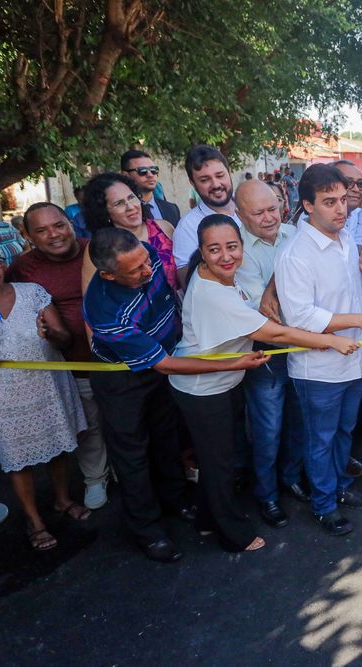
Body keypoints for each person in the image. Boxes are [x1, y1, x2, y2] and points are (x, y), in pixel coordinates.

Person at [172, 215, 359, 550]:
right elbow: (276, 332)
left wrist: (271, 288)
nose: (226, 256)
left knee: (218, 458)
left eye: (232, 247)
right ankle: (233, 536)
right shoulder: (213, 292)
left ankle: (205, 520)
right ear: (201, 251)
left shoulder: (220, 276)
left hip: (222, 381)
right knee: (219, 464)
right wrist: (332, 341)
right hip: (203, 390)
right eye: (214, 249)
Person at [84, 228, 267, 562]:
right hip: (128, 378)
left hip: (175, 355)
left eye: (146, 260)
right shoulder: (107, 315)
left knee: (167, 437)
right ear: (108, 274)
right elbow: (165, 366)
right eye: (136, 271)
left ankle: (178, 501)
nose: (147, 270)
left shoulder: (147, 255)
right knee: (133, 452)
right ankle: (148, 530)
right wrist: (232, 362)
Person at [275, 164, 362, 536]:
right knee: (320, 439)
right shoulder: (295, 254)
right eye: (329, 202)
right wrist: (360, 320)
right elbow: (299, 316)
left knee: (345, 432)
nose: (341, 209)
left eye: (344, 200)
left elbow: (353, 292)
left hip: (355, 360)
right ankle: (323, 504)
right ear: (307, 206)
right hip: (319, 369)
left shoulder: (346, 241)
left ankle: (340, 488)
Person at [0, 240, 89, 551]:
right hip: (3, 396)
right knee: (18, 459)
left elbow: (64, 337)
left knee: (59, 445)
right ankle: (34, 520)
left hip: (48, 384)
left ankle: (62, 500)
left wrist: (51, 333)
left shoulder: (31, 292)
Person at [7, 203, 110, 511]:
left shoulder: (96, 249)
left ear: (71, 223)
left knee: (126, 422)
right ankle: (96, 477)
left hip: (116, 358)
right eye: (42, 230)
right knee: (89, 425)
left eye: (59, 225)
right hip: (71, 364)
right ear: (28, 236)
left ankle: (128, 472)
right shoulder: (22, 269)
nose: (54, 235)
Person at [232, 180, 309, 524]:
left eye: (273, 208)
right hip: (266, 352)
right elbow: (265, 311)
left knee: (299, 421)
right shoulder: (236, 250)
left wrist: (278, 284)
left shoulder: (296, 235)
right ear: (239, 215)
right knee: (267, 429)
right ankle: (266, 494)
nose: (268, 218)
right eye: (258, 212)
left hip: (305, 345)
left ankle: (291, 478)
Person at [81, 172, 179, 290]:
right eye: (119, 203)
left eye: (131, 197)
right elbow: (92, 299)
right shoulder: (99, 248)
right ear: (104, 212)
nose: (131, 207)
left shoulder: (164, 228)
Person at [172, 145, 240, 284]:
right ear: (193, 183)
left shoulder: (249, 206)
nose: (216, 184)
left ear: (229, 172)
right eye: (204, 180)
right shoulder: (188, 227)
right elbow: (188, 282)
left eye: (220, 175)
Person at [120, 149, 180, 225]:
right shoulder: (121, 213)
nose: (150, 175)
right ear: (125, 175)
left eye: (153, 170)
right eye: (142, 171)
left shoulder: (171, 209)